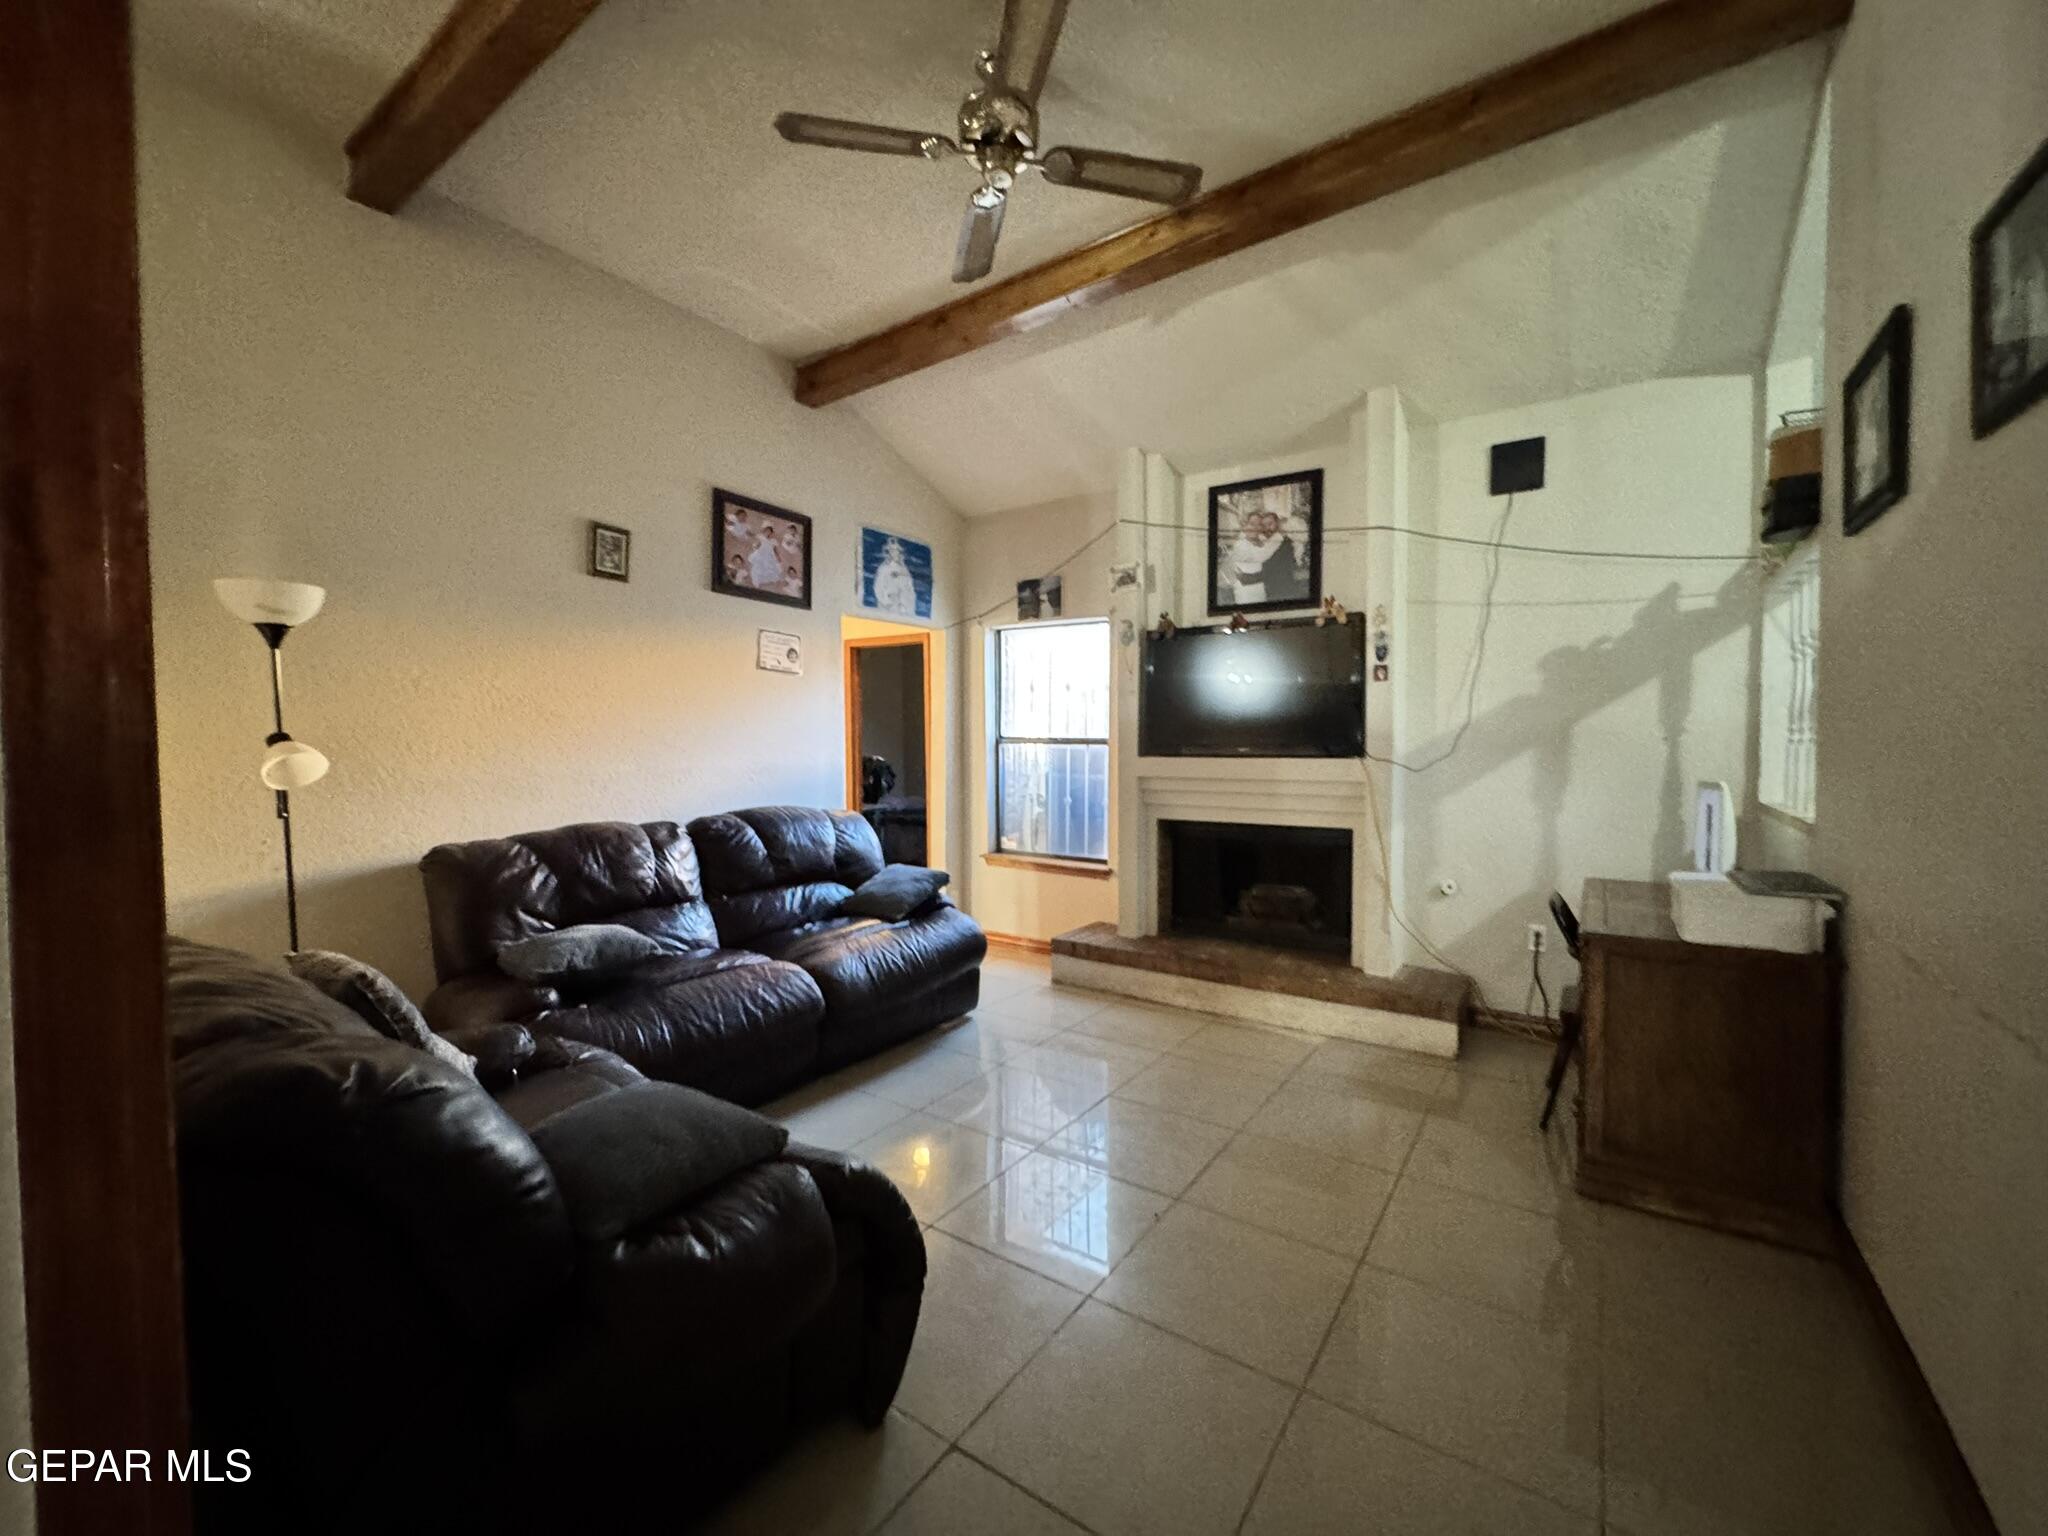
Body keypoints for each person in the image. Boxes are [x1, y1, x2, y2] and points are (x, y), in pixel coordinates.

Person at [1223, 508, 1286, 605]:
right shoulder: (1241, 544)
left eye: (1259, 525)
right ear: (1245, 525)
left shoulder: (1261, 540)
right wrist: (1278, 537)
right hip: (1245, 592)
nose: (1255, 528)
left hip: (1260, 589)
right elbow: (1261, 556)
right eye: (1252, 524)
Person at [871, 536, 917, 615]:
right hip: (888, 606)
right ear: (888, 552)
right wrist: (888, 601)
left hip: (902, 606)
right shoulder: (883, 568)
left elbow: (909, 588)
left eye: (896, 550)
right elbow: (878, 587)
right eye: (892, 550)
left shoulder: (904, 570)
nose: (894, 553)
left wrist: (904, 603)